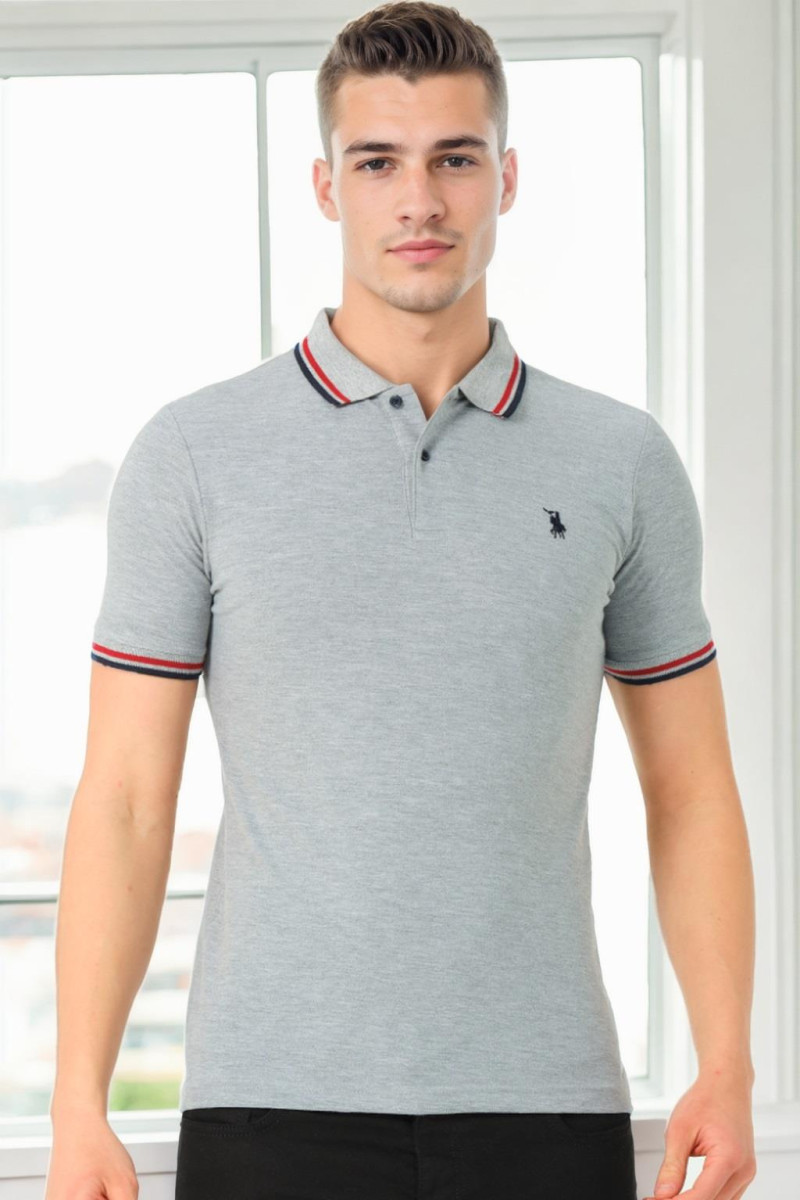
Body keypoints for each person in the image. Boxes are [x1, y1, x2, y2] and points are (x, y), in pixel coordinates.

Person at [46, 3, 757, 1199]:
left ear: (505, 179)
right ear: (327, 187)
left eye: (453, 159)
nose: (417, 201)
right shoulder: (194, 456)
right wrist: (80, 1103)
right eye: (377, 162)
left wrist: (725, 1064)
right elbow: (122, 801)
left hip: (543, 1104)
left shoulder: (619, 461)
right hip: (271, 1105)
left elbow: (689, 791)